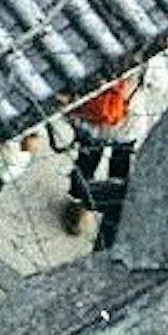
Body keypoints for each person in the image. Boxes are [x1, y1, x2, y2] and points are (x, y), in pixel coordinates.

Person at [60, 74, 143, 249]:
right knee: (111, 167)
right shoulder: (152, 66)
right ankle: (89, 205)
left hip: (105, 121)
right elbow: (158, 85)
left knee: (90, 163)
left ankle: (84, 204)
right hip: (118, 122)